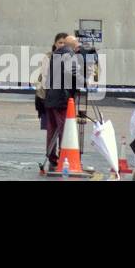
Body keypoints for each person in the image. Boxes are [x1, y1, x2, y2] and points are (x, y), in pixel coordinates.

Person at [43, 35, 84, 172]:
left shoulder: (56, 54)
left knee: (52, 129)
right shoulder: (69, 54)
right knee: (64, 129)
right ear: (73, 44)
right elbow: (71, 72)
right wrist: (83, 80)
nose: (79, 45)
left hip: (50, 97)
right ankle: (64, 158)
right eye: (77, 43)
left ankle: (52, 157)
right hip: (62, 98)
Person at [34, 32, 69, 131]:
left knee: (64, 128)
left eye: (64, 43)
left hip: (63, 98)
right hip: (50, 97)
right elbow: (45, 77)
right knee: (51, 128)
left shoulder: (70, 57)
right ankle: (51, 147)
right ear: (55, 43)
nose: (62, 45)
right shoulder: (49, 57)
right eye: (60, 42)